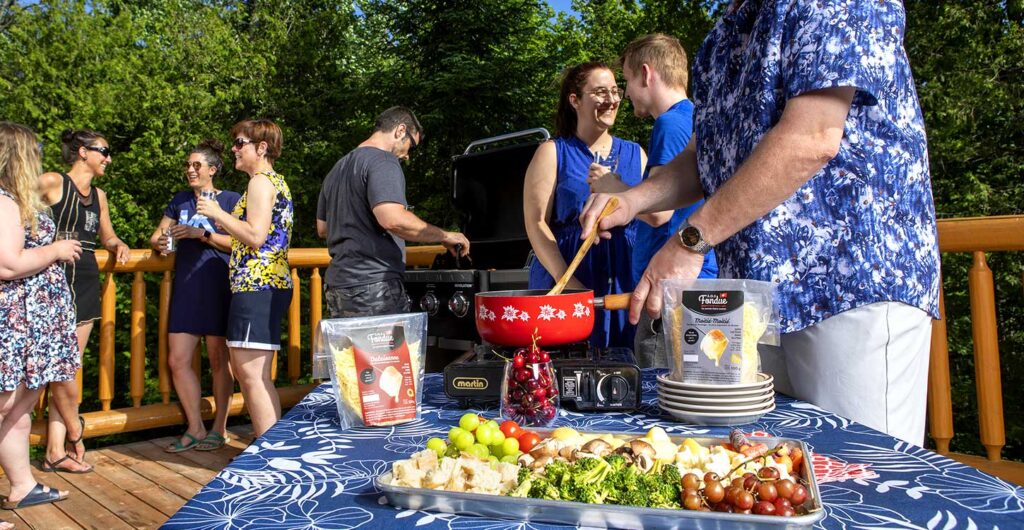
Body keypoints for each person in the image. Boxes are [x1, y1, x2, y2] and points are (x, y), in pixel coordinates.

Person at [581, 0, 939, 445]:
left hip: (850, 285)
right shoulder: (722, 37)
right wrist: (632, 200)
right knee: (773, 475)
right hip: (760, 301)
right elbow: (705, 158)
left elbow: (811, 139)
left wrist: (690, 242)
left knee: (861, 476)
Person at [524, 61, 646, 349]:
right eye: (601, 92)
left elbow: (653, 219)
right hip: (567, 274)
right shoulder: (552, 152)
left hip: (624, 281)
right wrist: (567, 283)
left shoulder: (637, 154)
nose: (612, 100)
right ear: (575, 100)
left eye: (615, 91)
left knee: (625, 371)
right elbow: (535, 222)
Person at [617, 33, 718, 367]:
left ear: (646, 74)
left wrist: (614, 189)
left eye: (628, 80)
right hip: (694, 284)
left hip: (671, 292)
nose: (626, 91)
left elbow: (661, 214)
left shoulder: (670, 123)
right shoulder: (695, 118)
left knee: (659, 391)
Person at [316, 106, 469, 318]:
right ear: (400, 130)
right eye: (411, 146)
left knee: (349, 352)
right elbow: (393, 219)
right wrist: (445, 236)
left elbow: (323, 228)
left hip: (338, 287)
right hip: (374, 287)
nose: (407, 156)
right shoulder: (383, 161)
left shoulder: (338, 168)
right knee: (386, 352)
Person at [38, 129, 130, 473]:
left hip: (87, 280)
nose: (108, 158)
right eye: (103, 151)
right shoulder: (52, 182)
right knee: (51, 368)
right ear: (82, 152)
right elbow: (11, 201)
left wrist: (118, 244)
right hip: (49, 278)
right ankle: (72, 436)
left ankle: (55, 450)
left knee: (69, 366)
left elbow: (105, 234)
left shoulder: (100, 195)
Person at [0, 122, 79, 516]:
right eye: (35, 152)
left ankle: (22, 485)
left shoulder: (16, 198)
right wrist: (57, 249)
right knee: (5, 403)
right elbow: (8, 264)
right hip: (12, 321)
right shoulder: (3, 202)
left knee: (20, 405)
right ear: (19, 156)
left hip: (32, 321)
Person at [196, 119, 292, 438]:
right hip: (261, 285)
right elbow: (247, 239)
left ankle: (269, 457)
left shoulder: (260, 183)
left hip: (257, 286)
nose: (234, 150)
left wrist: (217, 213)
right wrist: (210, 236)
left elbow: (255, 236)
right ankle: (269, 447)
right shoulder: (270, 182)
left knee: (251, 375)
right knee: (251, 373)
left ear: (261, 148)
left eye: (239, 143)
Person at [150, 140, 240, 452]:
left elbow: (241, 243)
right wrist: (161, 242)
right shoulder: (180, 200)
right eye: (188, 165)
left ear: (212, 170)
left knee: (218, 359)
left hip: (217, 284)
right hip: (187, 286)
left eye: (197, 165)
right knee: (177, 359)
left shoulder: (230, 200)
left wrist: (201, 234)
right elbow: (158, 233)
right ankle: (195, 428)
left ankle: (220, 428)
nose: (190, 170)